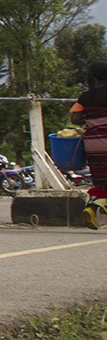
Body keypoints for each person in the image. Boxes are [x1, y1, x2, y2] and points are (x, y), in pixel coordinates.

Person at [70, 59, 107, 229]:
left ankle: (92, 207)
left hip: (93, 145)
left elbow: (75, 119)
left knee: (100, 180)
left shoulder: (86, 96)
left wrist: (92, 117)